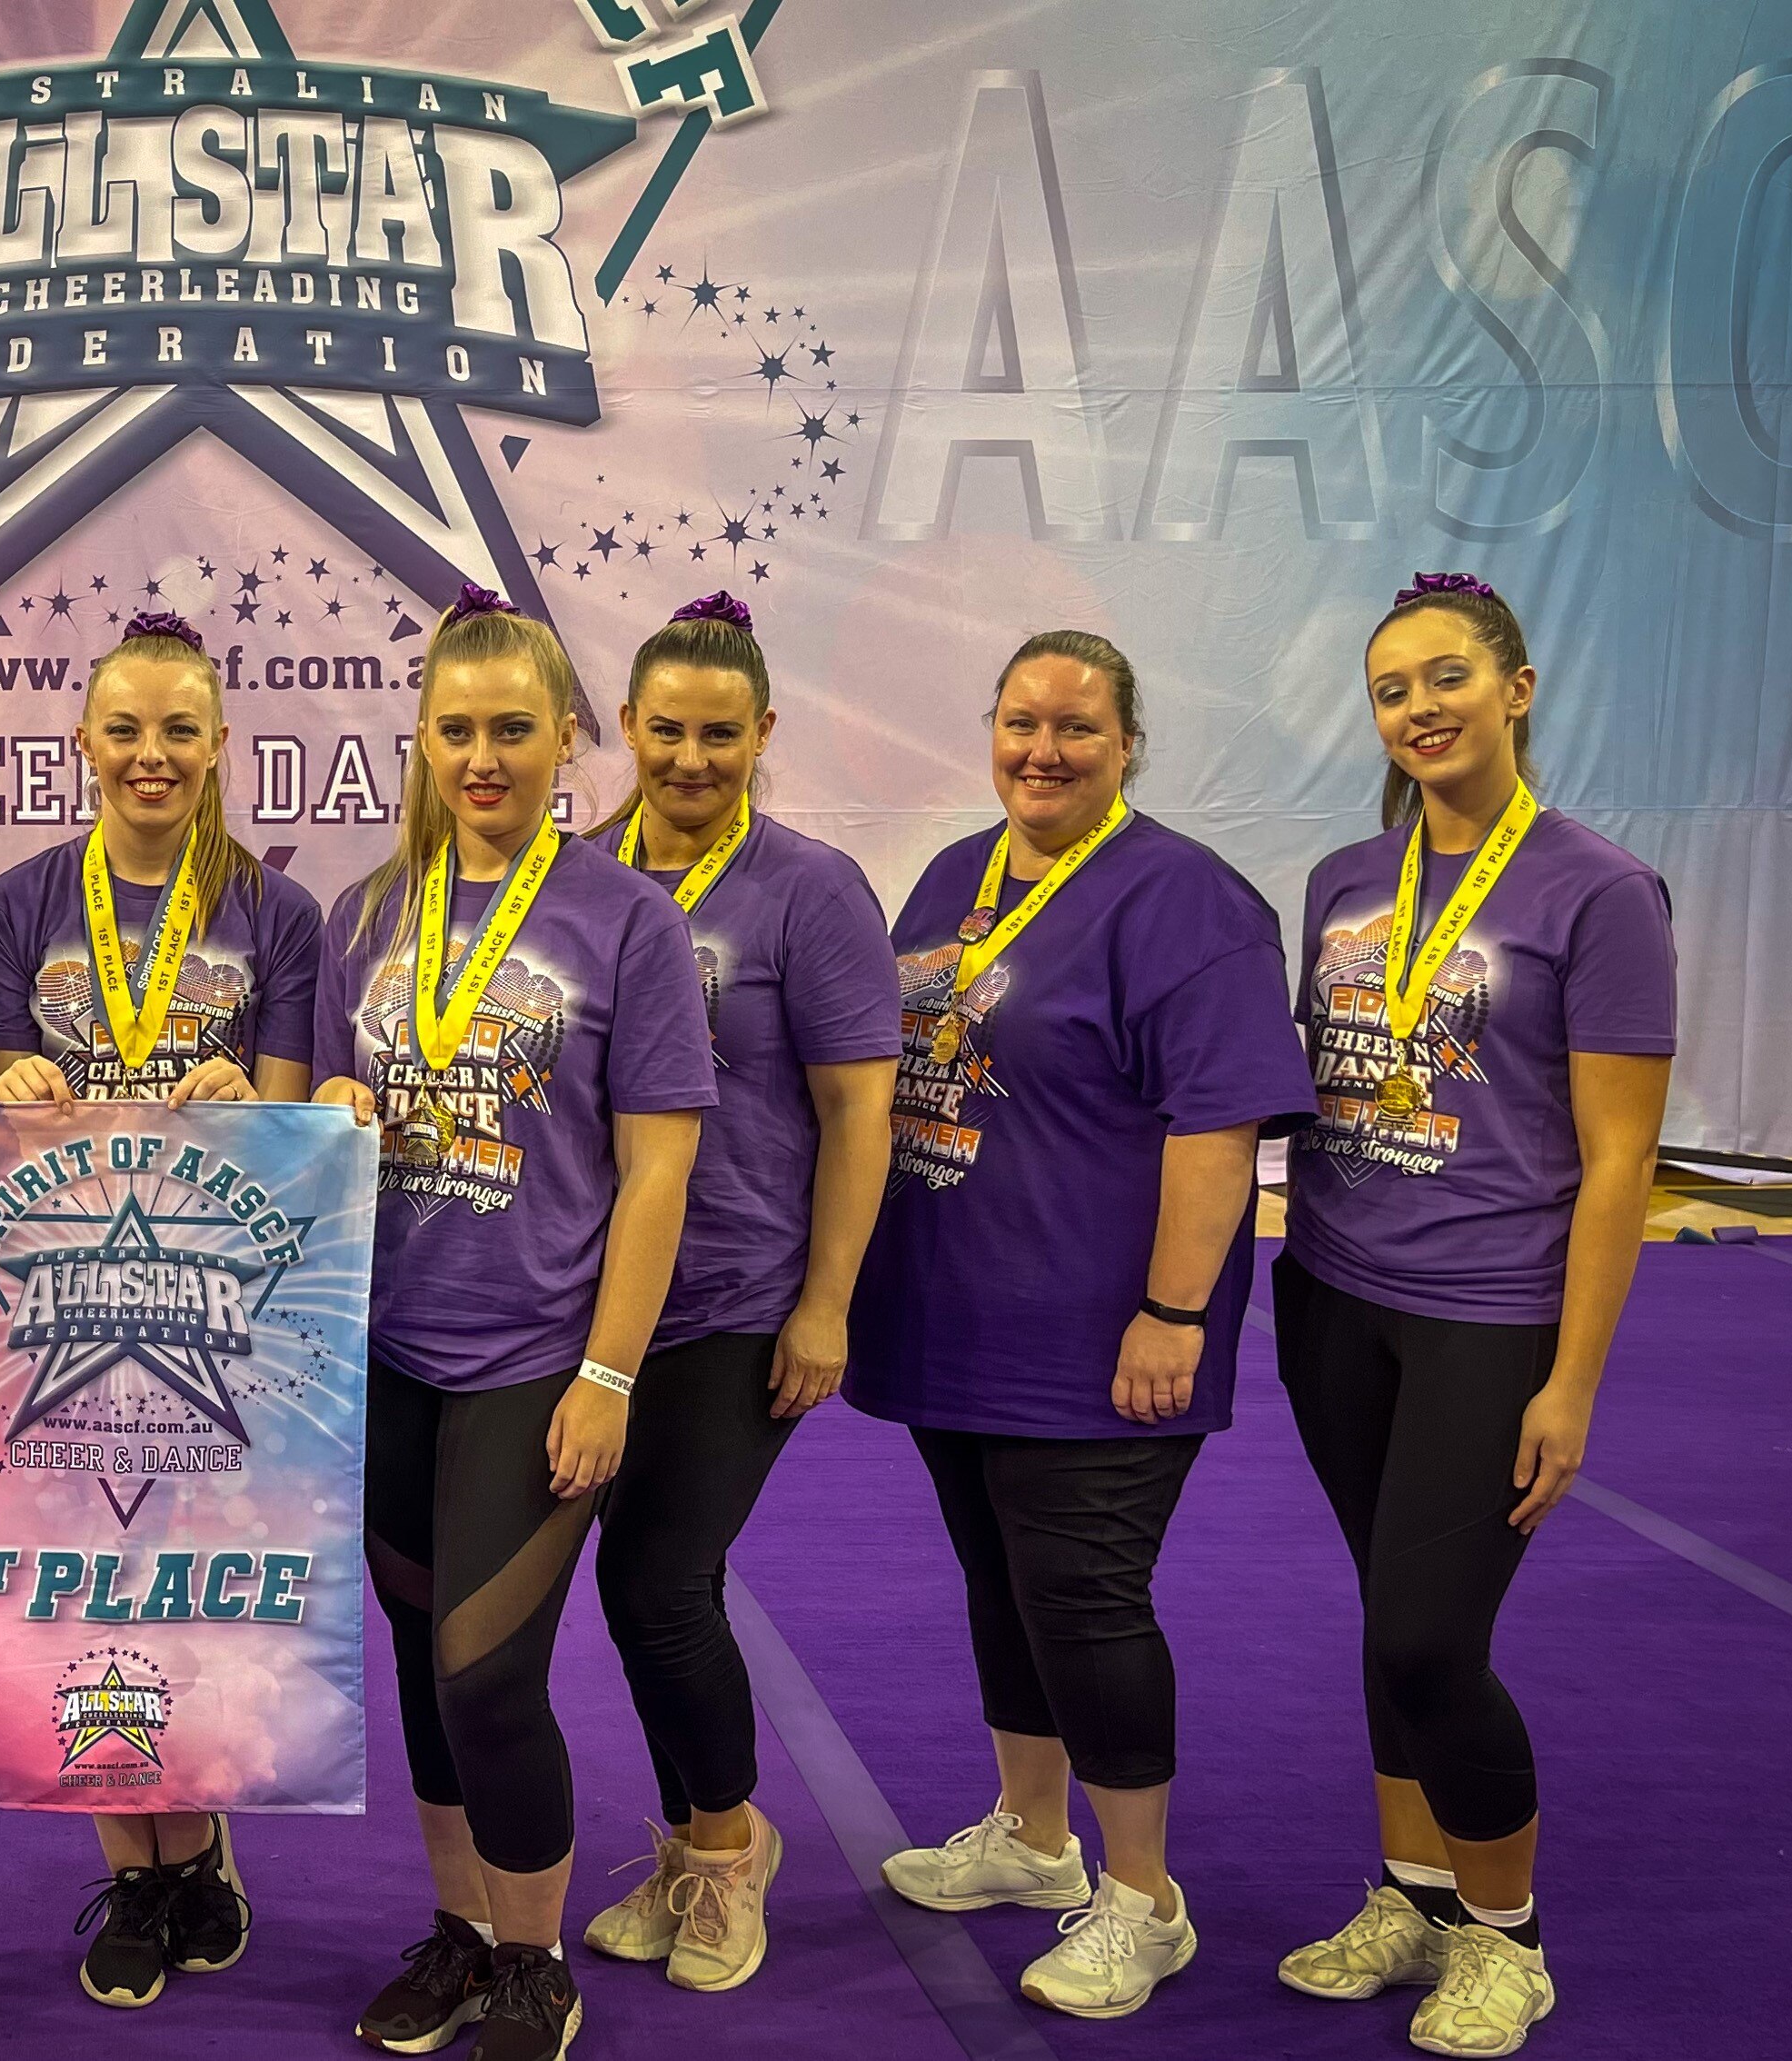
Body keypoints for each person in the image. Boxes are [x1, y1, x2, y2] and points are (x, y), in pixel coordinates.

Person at [851, 630, 1314, 2020]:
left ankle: (1144, 1899)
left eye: (1078, 728)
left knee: (1088, 1599)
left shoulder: (1189, 903)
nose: (1042, 750)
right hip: (953, 1319)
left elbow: (1219, 1127)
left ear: (1129, 746)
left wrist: (1175, 1309)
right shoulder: (953, 874)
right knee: (1005, 1584)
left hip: (1097, 1333)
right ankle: (1036, 1841)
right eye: (1020, 722)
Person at [1271, 575, 1674, 2059]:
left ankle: (1504, 1939)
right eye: (1390, 689)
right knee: (1386, 1622)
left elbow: (1620, 1158)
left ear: (1512, 688)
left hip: (1488, 1316)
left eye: (1445, 677)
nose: (1417, 708)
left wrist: (1571, 1379)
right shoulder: (1340, 879)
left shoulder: (1598, 891)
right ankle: (1412, 1888)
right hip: (1327, 1293)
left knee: (1431, 1637)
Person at [310, 587, 710, 2061]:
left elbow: (658, 1163)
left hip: (535, 1355)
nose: (482, 756)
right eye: (455, 728)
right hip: (382, 1355)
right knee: (420, 1660)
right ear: (419, 739)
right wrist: (330, 1103)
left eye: (511, 730)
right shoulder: (362, 913)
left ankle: (533, 1960)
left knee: (487, 1672)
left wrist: (608, 1371)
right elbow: (303, 1119)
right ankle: (462, 1928)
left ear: (564, 740)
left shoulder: (629, 920)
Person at [0, 609, 322, 2009]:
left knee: (204, 1587)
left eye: (180, 729)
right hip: (56, 1300)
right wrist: (9, 1088)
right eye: (126, 729)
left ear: (222, 745)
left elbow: (295, 1112)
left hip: (222, 1307)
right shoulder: (19, 904)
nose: (152, 754)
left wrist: (260, 1102)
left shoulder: (278, 912)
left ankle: (203, 1845)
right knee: (85, 1588)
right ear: (85, 744)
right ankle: (136, 1866)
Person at [569, 592, 901, 1996]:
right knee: (637, 1588)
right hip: (589, 1302)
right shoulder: (573, 870)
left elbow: (858, 1110)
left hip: (735, 1296)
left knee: (658, 1581)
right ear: (627, 730)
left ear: (764, 733)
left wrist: (825, 1303)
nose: (691, 759)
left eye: (720, 734)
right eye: (666, 731)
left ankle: (726, 1848)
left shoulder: (811, 890)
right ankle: (698, 1842)